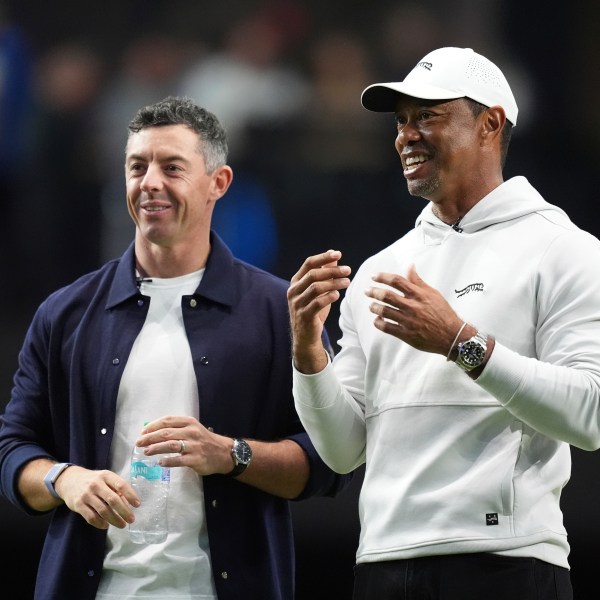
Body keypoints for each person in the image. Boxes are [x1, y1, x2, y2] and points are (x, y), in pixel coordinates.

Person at [0, 95, 351, 600]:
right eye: (137, 167)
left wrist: (231, 454)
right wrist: (65, 480)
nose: (150, 184)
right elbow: (13, 450)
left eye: (172, 167)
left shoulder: (280, 310)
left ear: (219, 183)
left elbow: (329, 463)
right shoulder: (65, 312)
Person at [287, 46, 600, 599]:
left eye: (428, 116)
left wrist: (461, 343)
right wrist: (309, 355)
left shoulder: (564, 249)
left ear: (490, 124)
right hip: (381, 561)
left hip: (508, 562)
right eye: (402, 120)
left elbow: (590, 414)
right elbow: (343, 450)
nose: (406, 135)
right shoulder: (380, 270)